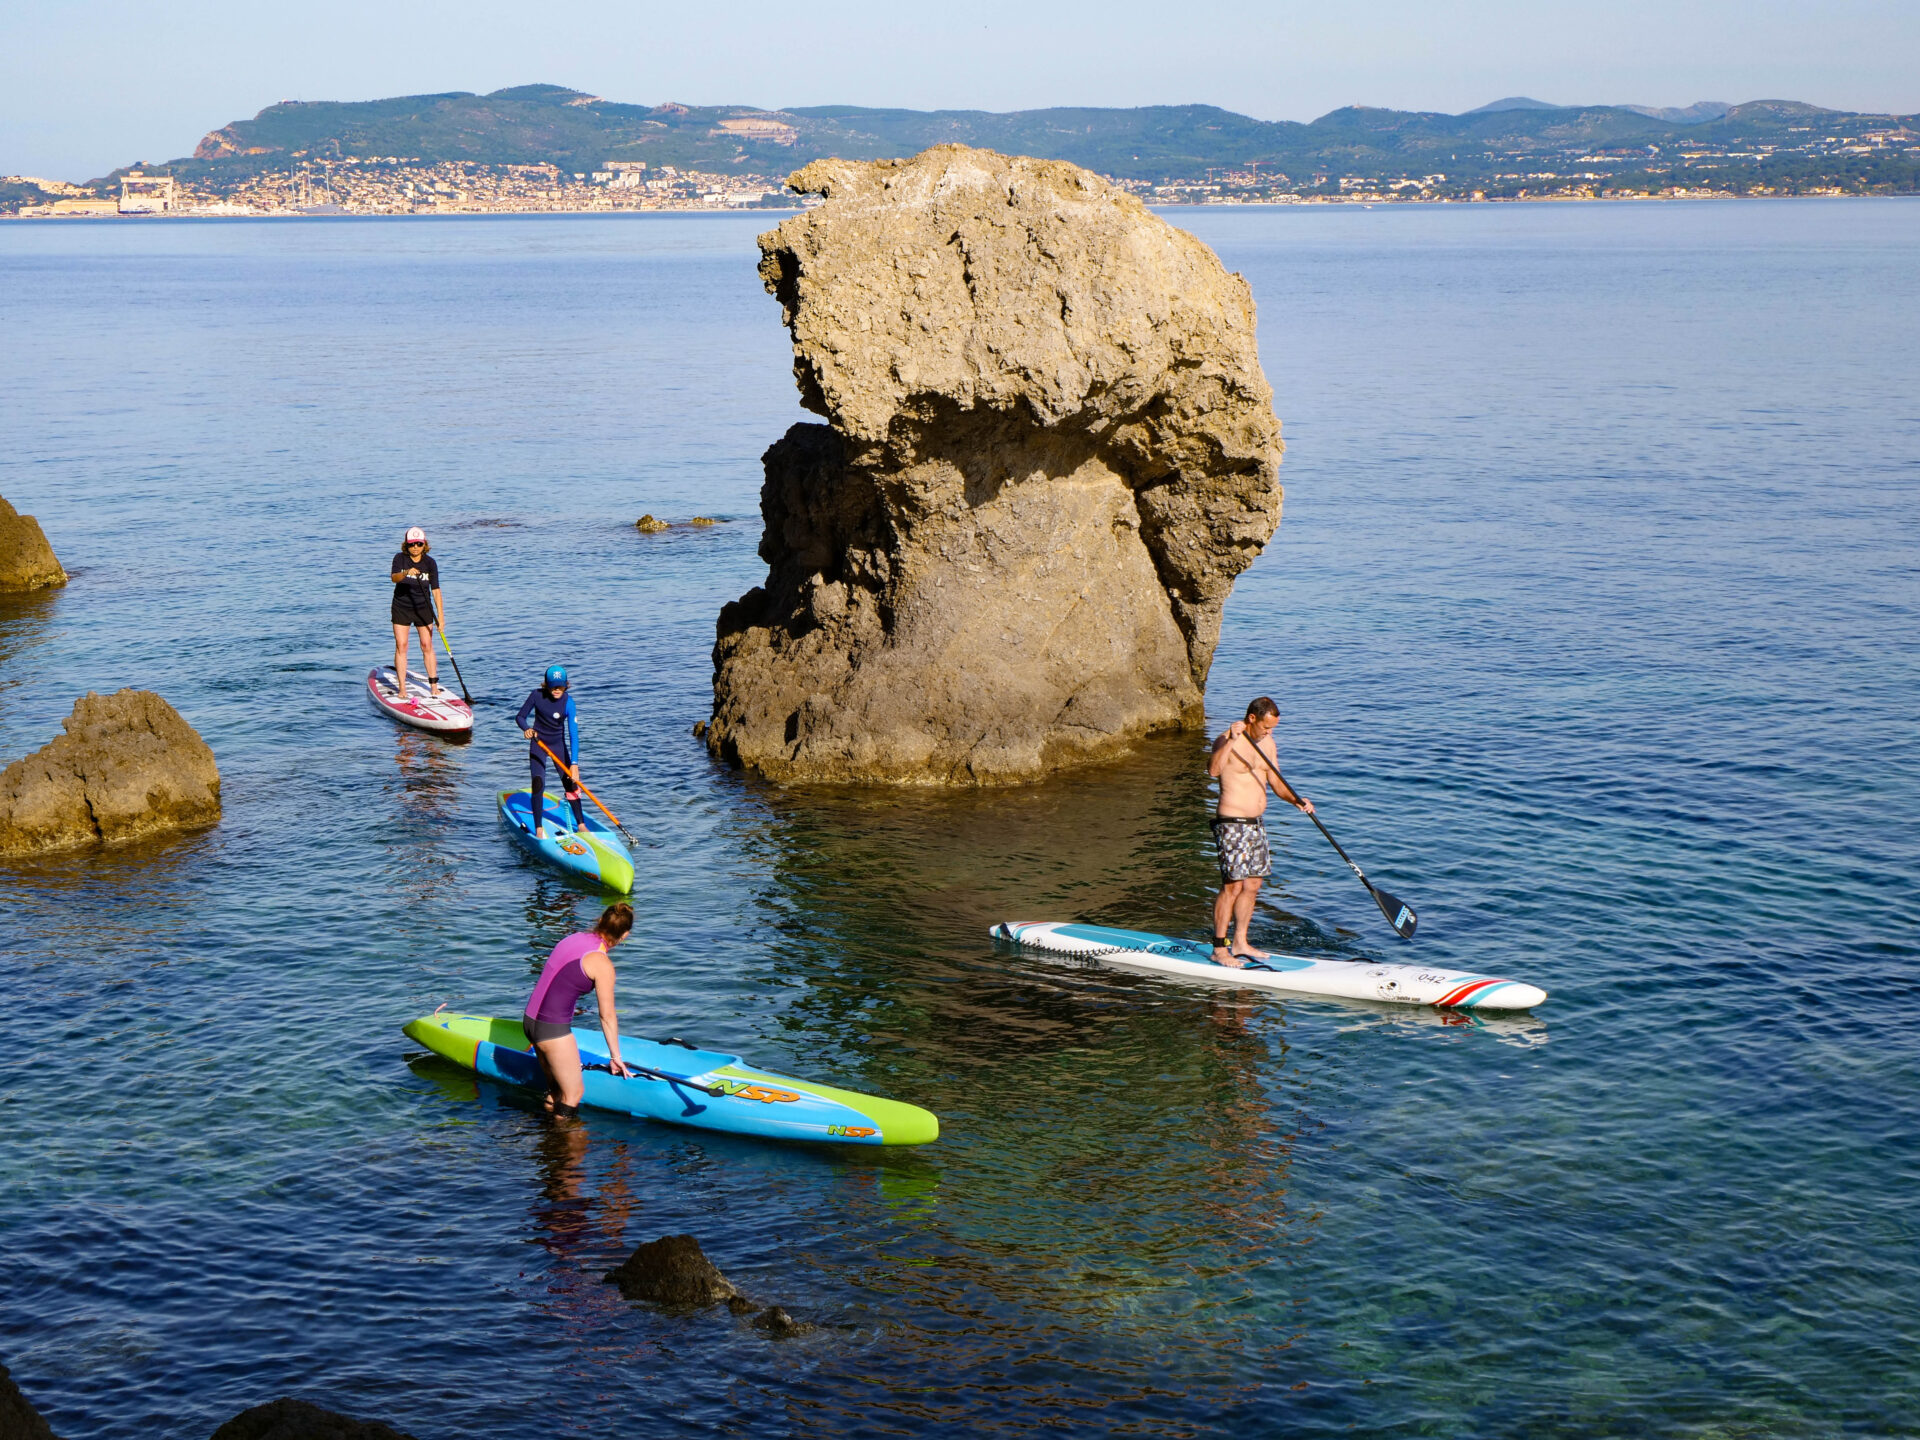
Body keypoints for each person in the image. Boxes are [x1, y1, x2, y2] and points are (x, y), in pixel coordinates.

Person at [1207, 696, 1313, 968]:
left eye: (1273, 728)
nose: (1270, 732)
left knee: (1253, 885)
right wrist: (1231, 740)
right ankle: (1220, 949)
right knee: (1232, 886)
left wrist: (1297, 800)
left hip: (1256, 824)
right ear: (1252, 718)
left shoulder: (1268, 743)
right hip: (1231, 822)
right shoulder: (1226, 739)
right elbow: (1213, 770)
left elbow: (1277, 782)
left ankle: (1241, 942)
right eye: (1266, 727)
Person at [523, 903, 634, 1116]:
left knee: (556, 1091)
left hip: (529, 1021)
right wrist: (615, 1056)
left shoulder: (572, 938)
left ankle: (546, 1141)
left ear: (600, 920)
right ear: (625, 934)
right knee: (572, 1095)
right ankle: (563, 1146)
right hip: (552, 1031)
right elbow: (607, 1016)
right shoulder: (602, 963)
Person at [515, 665, 584, 840]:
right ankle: (538, 828)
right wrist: (527, 729)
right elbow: (520, 716)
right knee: (538, 783)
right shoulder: (536, 696)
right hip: (538, 743)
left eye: (560, 686)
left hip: (558, 745)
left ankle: (581, 825)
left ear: (565, 685)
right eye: (553, 686)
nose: (556, 690)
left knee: (571, 784)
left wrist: (574, 764)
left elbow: (573, 735)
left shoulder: (569, 702)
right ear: (547, 685)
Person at [388, 526, 445, 701]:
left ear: (424, 544)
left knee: (426, 645)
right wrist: (405, 573)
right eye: (412, 544)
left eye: (419, 544)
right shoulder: (400, 559)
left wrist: (441, 617)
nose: (415, 547)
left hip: (424, 608)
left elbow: (435, 590)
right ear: (407, 545)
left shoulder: (430, 563)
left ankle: (433, 686)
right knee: (402, 645)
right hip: (402, 607)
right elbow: (394, 578)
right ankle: (402, 688)